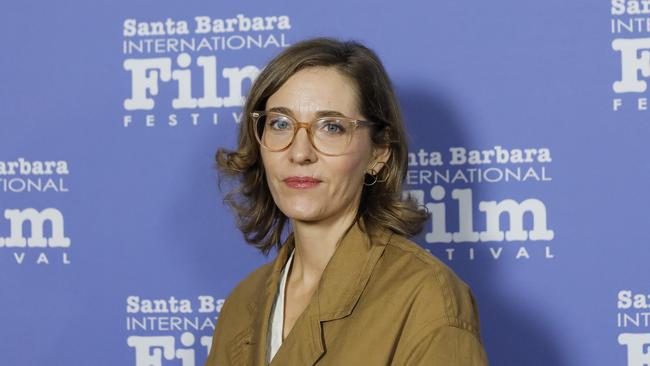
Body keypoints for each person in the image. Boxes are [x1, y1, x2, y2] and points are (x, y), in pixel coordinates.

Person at [205, 37, 489, 366]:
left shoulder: (426, 298)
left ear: (378, 152)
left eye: (331, 127)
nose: (299, 153)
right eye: (280, 123)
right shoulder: (243, 303)